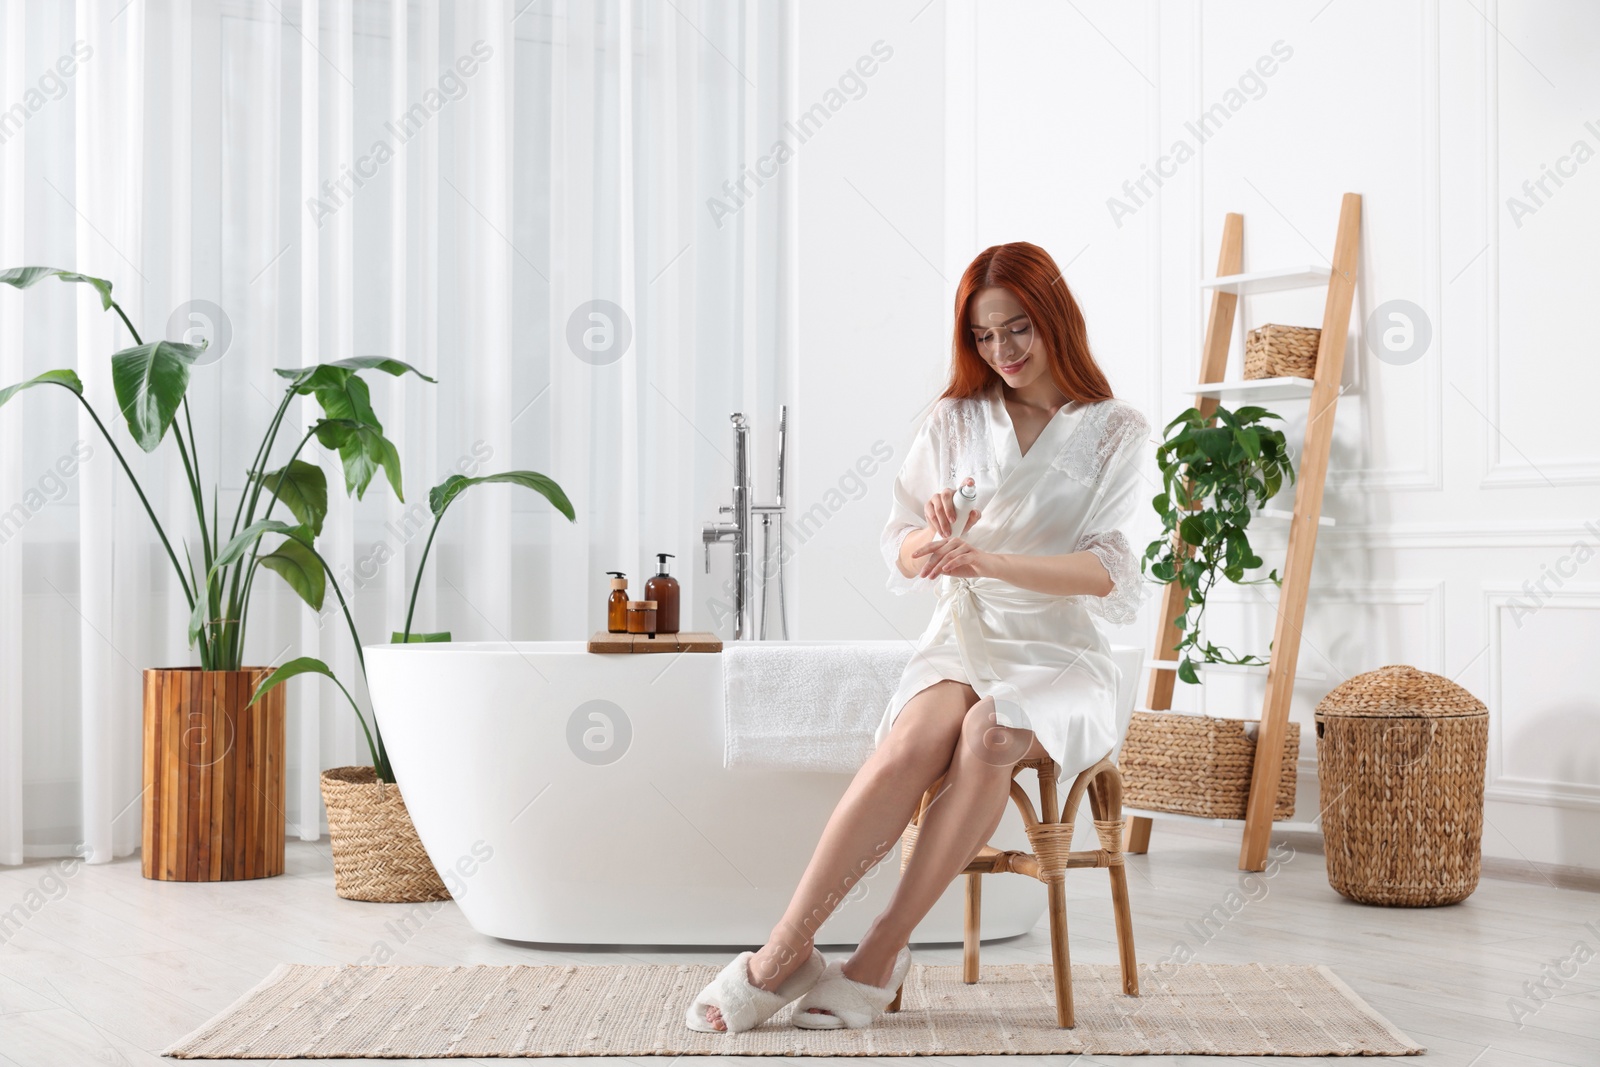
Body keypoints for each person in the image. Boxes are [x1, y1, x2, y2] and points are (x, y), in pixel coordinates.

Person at [686, 241, 1149, 1033]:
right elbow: (899, 536)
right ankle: (785, 952)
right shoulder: (956, 419)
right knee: (911, 744)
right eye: (983, 335)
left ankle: (877, 953)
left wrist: (991, 557)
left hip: (1058, 652)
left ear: (1056, 319)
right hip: (964, 632)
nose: (1001, 351)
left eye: (1018, 329)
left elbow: (1109, 572)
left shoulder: (1114, 429)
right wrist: (930, 549)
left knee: (989, 734)